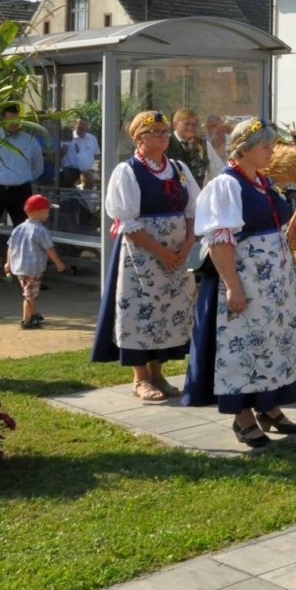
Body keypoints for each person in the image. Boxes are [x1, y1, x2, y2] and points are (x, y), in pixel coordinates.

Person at [193, 118, 296, 448]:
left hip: (273, 284)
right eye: (266, 146)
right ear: (243, 149)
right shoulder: (226, 185)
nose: (272, 151)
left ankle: (268, 405)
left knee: (269, 342)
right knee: (243, 345)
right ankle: (242, 415)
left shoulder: (261, 181)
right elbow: (219, 241)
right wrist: (233, 286)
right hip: (247, 279)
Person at [90, 110, 200, 402]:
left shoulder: (178, 168)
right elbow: (127, 221)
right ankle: (140, 378)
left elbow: (192, 210)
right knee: (140, 311)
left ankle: (158, 373)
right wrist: (162, 251)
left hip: (178, 255)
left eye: (165, 131)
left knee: (168, 310)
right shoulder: (126, 171)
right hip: (142, 254)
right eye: (156, 132)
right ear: (139, 138)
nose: (164, 136)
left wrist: (188, 243)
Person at [0, 104, 43, 257]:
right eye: (10, 120)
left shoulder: (30, 141)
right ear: (2, 119)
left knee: (24, 232)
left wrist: (22, 178)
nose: (14, 124)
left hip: (20, 192)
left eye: (17, 120)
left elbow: (38, 167)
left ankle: (23, 274)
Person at [3, 194, 67, 328]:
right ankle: (28, 319)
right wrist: (58, 263)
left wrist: (8, 262)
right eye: (48, 211)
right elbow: (49, 248)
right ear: (40, 212)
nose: (48, 214)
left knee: (29, 292)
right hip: (34, 268)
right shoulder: (41, 230)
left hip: (19, 266)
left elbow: (11, 246)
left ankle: (33, 313)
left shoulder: (18, 228)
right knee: (30, 294)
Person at [167, 108, 216, 187]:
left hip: (198, 195)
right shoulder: (165, 143)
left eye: (194, 125)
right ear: (175, 124)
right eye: (187, 124)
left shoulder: (204, 145)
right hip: (173, 195)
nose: (191, 128)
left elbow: (217, 170)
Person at [59, 115, 99, 187]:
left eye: (84, 124)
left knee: (89, 196)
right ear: (75, 124)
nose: (82, 126)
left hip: (89, 176)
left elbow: (97, 156)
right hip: (73, 175)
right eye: (79, 123)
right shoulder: (67, 138)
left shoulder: (93, 139)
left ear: (87, 126)